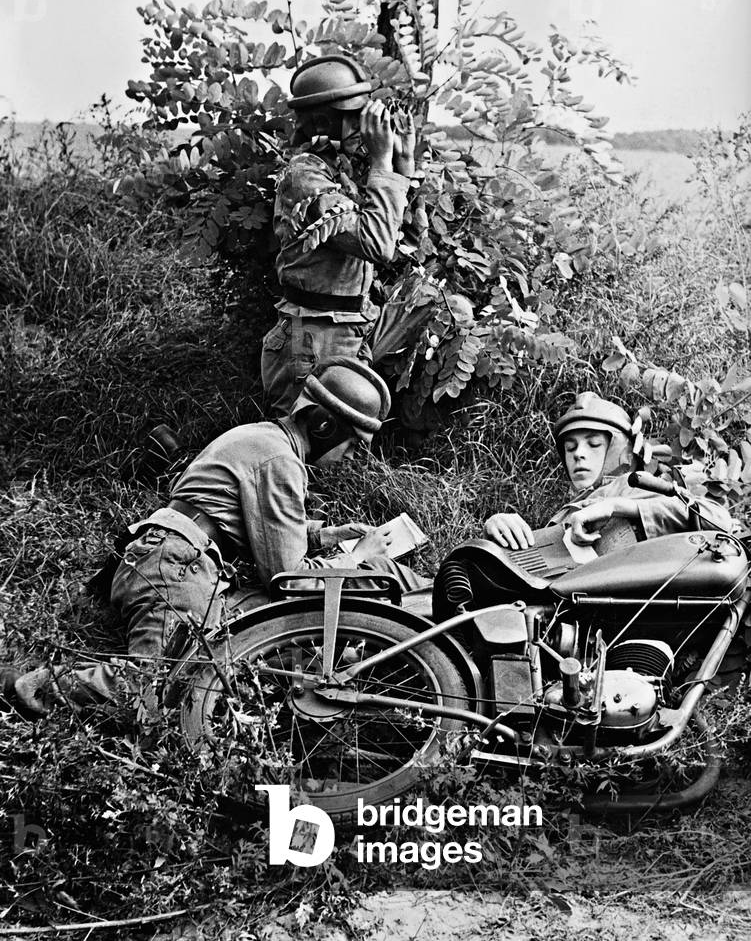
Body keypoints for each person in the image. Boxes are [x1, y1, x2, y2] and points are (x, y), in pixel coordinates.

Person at [4, 358, 427, 718]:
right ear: (323, 425)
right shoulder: (280, 461)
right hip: (175, 565)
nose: (351, 457)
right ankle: (28, 687)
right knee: (159, 688)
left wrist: (325, 535)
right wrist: (356, 558)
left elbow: (249, 521)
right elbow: (289, 579)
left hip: (171, 557)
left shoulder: (265, 439)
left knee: (233, 654)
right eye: (353, 444)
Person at [262, 53, 416, 416]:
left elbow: (404, 239)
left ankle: (410, 428)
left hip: (355, 325)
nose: (366, 127)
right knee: (314, 441)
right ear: (323, 123)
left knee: (435, 304)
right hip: (313, 340)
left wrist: (404, 167)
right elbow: (377, 245)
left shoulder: (343, 171)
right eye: (356, 116)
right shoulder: (304, 177)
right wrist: (382, 163)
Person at [484, 391, 732, 551]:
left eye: (593, 444)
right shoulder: (563, 515)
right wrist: (497, 533)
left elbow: (719, 520)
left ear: (617, 448)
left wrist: (614, 506)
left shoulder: (637, 486)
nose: (578, 454)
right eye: (570, 448)